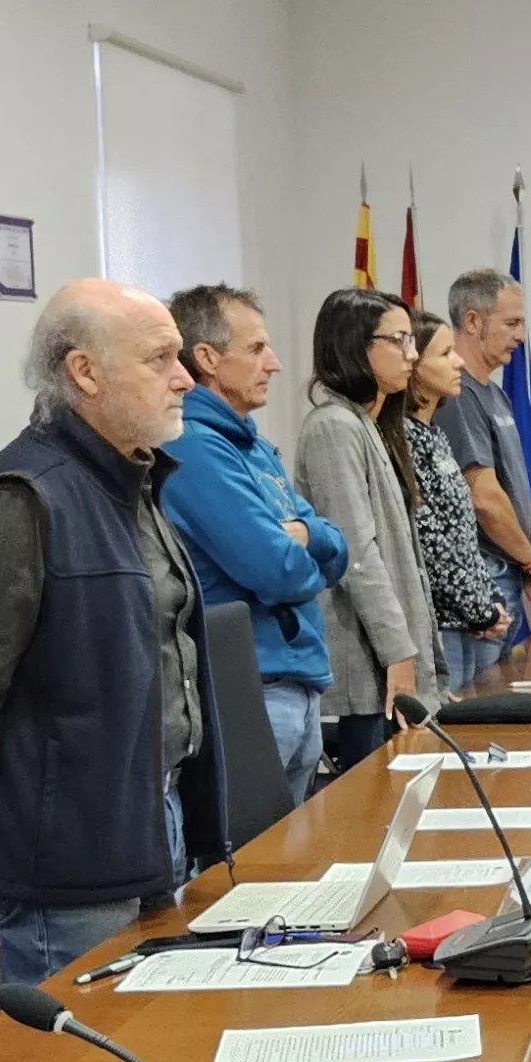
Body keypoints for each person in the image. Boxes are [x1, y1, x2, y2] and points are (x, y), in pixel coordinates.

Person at [0, 278, 204, 989]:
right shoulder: (22, 498)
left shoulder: (131, 484)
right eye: (160, 359)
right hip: (68, 861)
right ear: (85, 372)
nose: (185, 378)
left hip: (149, 823)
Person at [161, 284, 350, 803]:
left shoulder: (252, 445)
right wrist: (308, 558)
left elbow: (335, 543)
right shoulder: (193, 446)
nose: (276, 363)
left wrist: (308, 537)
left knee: (290, 867)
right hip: (251, 688)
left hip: (297, 681)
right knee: (251, 874)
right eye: (257, 349)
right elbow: (276, 569)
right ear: (207, 358)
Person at [288, 288, 436, 772]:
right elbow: (357, 552)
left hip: (387, 658)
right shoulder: (334, 426)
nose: (412, 354)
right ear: (356, 346)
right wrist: (400, 651)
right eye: (398, 340)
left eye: (411, 340)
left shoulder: (371, 424)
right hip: (362, 668)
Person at [437, 268, 531, 686]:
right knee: (481, 703)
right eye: (512, 323)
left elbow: (514, 486)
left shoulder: (494, 393)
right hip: (482, 580)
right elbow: (484, 498)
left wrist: (530, 563)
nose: (521, 336)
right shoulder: (458, 398)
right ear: (473, 321)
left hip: (508, 573)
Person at [397, 311, 512, 660]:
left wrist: (489, 600)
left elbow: (463, 536)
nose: (459, 362)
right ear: (414, 365)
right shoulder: (404, 439)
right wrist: (480, 609)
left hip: (468, 619)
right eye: (446, 354)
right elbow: (431, 542)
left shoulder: (434, 434)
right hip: (441, 623)